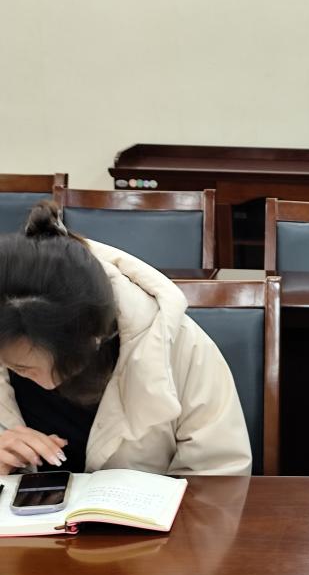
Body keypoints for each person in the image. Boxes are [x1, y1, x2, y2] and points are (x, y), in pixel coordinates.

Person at [0, 201, 252, 476]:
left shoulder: (180, 346)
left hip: (151, 505)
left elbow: (220, 475)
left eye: (69, 365)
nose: (49, 384)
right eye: (20, 369)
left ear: (97, 335)